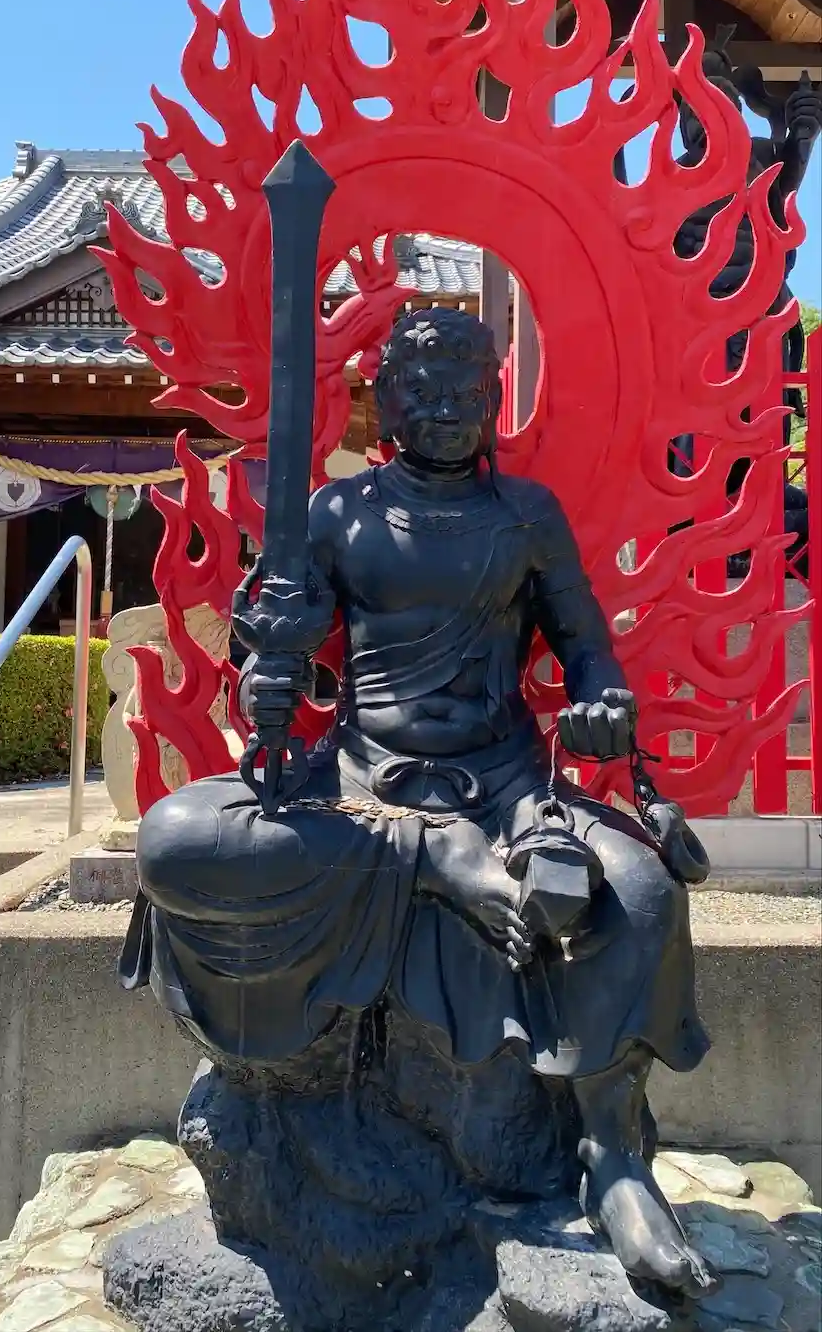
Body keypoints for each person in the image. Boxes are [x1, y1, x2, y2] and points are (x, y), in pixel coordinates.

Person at [121, 308, 715, 1299]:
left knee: (645, 895)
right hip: (364, 783)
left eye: (466, 392)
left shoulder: (525, 515)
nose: (445, 410)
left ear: (495, 399)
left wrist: (602, 703)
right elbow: (272, 656)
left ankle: (613, 1157)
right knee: (174, 839)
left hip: (507, 785)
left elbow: (586, 648)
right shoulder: (337, 514)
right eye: (422, 392)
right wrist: (267, 669)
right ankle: (430, 858)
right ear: (384, 403)